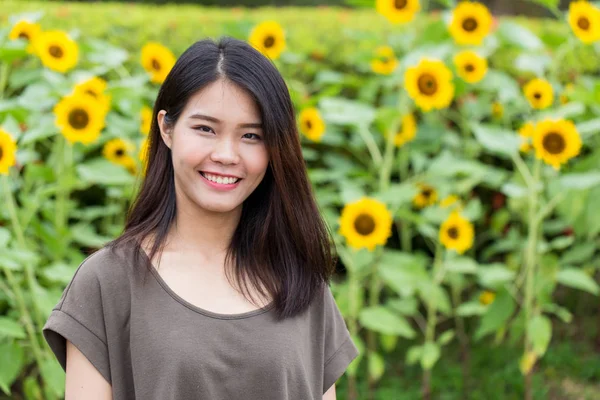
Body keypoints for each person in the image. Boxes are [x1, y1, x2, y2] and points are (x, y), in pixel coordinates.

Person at [42, 37, 359, 400]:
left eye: (251, 136)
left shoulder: (299, 279)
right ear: (166, 128)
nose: (226, 154)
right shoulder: (107, 282)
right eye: (206, 128)